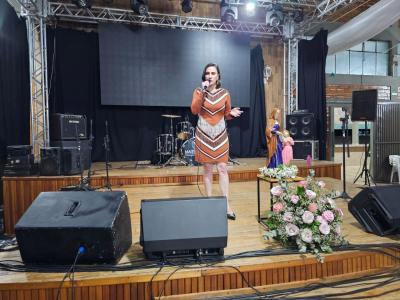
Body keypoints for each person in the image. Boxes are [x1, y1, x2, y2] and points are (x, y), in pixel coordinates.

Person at [191, 63, 243, 220]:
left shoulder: (225, 93)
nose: (210, 75)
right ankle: (208, 201)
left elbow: (225, 114)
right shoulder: (199, 91)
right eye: (207, 73)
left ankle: (226, 204)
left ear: (218, 76)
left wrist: (231, 113)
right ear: (204, 76)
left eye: (213, 73)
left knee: (222, 168)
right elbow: (194, 110)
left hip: (220, 135)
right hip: (204, 134)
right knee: (207, 169)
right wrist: (202, 91)